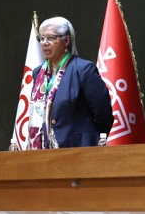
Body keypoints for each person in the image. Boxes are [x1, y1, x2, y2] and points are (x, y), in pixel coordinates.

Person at [27, 16, 113, 149]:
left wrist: (88, 138)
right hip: (43, 152)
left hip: (77, 149)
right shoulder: (38, 73)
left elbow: (104, 113)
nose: (45, 43)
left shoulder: (83, 69)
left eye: (51, 38)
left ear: (66, 40)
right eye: (42, 38)